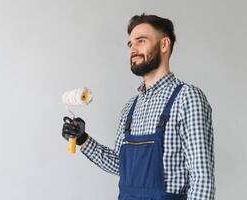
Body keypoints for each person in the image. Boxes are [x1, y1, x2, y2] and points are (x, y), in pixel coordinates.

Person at [62, 13, 215, 200]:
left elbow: (202, 179)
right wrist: (82, 139)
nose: (132, 49)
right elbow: (120, 164)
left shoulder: (187, 98)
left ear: (164, 44)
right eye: (130, 44)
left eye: (140, 41)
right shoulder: (130, 108)